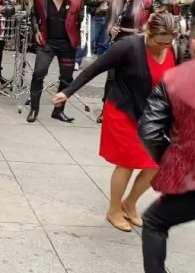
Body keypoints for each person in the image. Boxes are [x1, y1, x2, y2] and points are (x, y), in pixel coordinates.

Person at [53, 12, 176, 232]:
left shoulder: (169, 50)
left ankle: (129, 204)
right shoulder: (128, 46)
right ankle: (113, 210)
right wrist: (67, 92)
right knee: (128, 162)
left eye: (168, 43)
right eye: (159, 42)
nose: (163, 47)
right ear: (149, 31)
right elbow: (94, 69)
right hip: (123, 111)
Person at [138, 28, 195, 273]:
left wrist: (171, 163)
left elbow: (149, 131)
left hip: (189, 178)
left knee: (154, 222)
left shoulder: (174, 79)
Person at [27, 0, 83, 124]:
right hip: (47, 42)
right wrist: (36, 31)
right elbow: (33, 14)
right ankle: (34, 109)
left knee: (66, 78)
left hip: (68, 43)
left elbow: (81, 18)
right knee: (38, 73)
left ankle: (58, 111)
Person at [75, 0, 117, 68]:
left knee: (104, 43)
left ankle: (101, 64)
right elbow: (88, 0)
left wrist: (113, 2)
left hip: (109, 18)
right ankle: (77, 60)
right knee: (88, 40)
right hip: (96, 17)